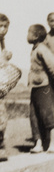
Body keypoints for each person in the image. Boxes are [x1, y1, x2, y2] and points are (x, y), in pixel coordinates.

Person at [28, 24, 54, 153]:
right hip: (35, 87)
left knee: (47, 115)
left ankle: (52, 144)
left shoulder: (42, 49)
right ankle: (38, 143)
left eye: (29, 33)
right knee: (34, 116)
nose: (27, 35)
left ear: (36, 36)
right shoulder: (35, 48)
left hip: (44, 87)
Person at [0, 14, 13, 161]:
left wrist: (6, 56)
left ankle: (1, 147)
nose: (3, 30)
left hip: (1, 84)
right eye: (0, 26)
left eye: (5, 27)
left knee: (2, 116)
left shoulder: (2, 42)